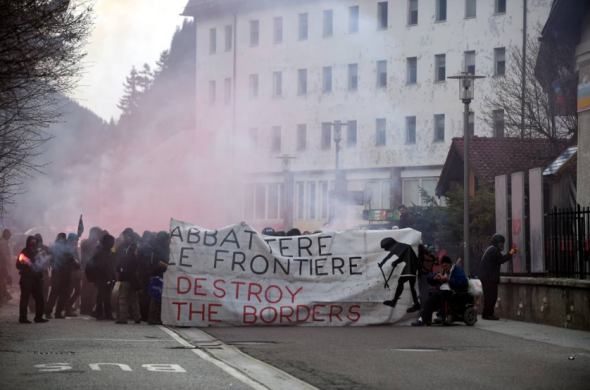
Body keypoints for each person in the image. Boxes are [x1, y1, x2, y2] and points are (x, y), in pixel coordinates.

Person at [411, 256, 468, 326]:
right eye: (443, 266)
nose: (444, 268)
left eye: (446, 266)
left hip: (454, 292)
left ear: (450, 264)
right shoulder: (442, 271)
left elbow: (462, 282)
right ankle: (422, 319)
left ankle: (442, 315)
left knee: (444, 293)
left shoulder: (457, 269)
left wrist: (448, 280)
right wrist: (434, 278)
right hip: (442, 292)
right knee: (432, 297)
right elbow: (431, 277)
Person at [479, 234, 515, 320]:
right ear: (496, 243)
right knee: (492, 296)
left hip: (486, 277)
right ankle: (488, 314)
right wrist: (511, 253)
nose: (501, 245)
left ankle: (486, 314)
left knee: (488, 296)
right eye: (500, 243)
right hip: (489, 278)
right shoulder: (494, 250)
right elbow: (501, 259)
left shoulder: (490, 249)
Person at [380, 237, 421, 313]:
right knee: (411, 286)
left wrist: (395, 262)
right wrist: (383, 263)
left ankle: (395, 302)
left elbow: (394, 257)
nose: (387, 250)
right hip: (412, 266)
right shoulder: (399, 246)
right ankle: (416, 304)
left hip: (410, 266)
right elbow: (395, 257)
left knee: (401, 282)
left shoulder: (399, 247)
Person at [16, 236, 49, 323]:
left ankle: (38, 317)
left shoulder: (40, 251)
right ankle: (23, 318)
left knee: (39, 298)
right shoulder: (24, 252)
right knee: (25, 298)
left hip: (36, 278)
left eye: (35, 241)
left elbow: (47, 259)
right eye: (32, 241)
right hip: (26, 278)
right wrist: (25, 263)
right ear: (28, 242)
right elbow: (18, 265)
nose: (33, 243)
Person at [45, 233, 72, 319]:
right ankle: (57, 313)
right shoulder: (66, 246)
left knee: (55, 293)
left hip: (57, 271)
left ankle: (49, 312)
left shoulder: (53, 246)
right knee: (61, 293)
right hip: (63, 272)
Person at [115, 234, 141, 324]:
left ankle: (123, 318)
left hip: (125, 280)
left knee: (123, 299)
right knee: (134, 300)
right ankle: (137, 317)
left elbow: (118, 268)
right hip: (133, 280)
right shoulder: (136, 258)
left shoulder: (124, 257)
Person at [93, 234, 117, 321]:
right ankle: (99, 313)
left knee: (107, 296)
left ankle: (107, 313)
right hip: (102, 278)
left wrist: (113, 275)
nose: (113, 244)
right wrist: (109, 275)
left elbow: (111, 265)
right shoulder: (102, 252)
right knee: (101, 295)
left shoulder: (108, 252)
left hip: (108, 277)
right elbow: (101, 266)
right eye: (112, 242)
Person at [148, 231, 169, 325]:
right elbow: (157, 261)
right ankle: (152, 318)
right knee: (156, 297)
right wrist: (168, 267)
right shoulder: (158, 248)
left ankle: (156, 317)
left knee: (158, 297)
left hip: (160, 275)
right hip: (158, 275)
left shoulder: (160, 247)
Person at [80, 227, 102, 315]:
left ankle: (85, 309)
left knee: (87, 290)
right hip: (90, 269)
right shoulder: (92, 244)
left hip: (87, 269)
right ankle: (88, 309)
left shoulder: (85, 242)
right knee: (89, 290)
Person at [137, 231, 154, 322]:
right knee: (148, 295)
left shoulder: (140, 247)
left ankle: (142, 315)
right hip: (148, 274)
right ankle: (146, 315)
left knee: (142, 295)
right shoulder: (151, 248)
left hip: (141, 274)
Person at [64, 233, 81, 317]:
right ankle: (67, 309)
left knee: (78, 291)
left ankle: (68, 306)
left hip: (76, 273)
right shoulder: (68, 248)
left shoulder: (74, 248)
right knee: (69, 292)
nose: (77, 241)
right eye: (76, 240)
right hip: (70, 273)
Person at [0, 229, 12, 303]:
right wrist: (9, 264)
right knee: (2, 282)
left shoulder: (2, 242)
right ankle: (2, 297)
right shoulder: (3, 243)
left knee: (2, 282)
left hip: (2, 265)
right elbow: (5, 255)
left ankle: (6, 295)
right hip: (1, 265)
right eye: (9, 235)